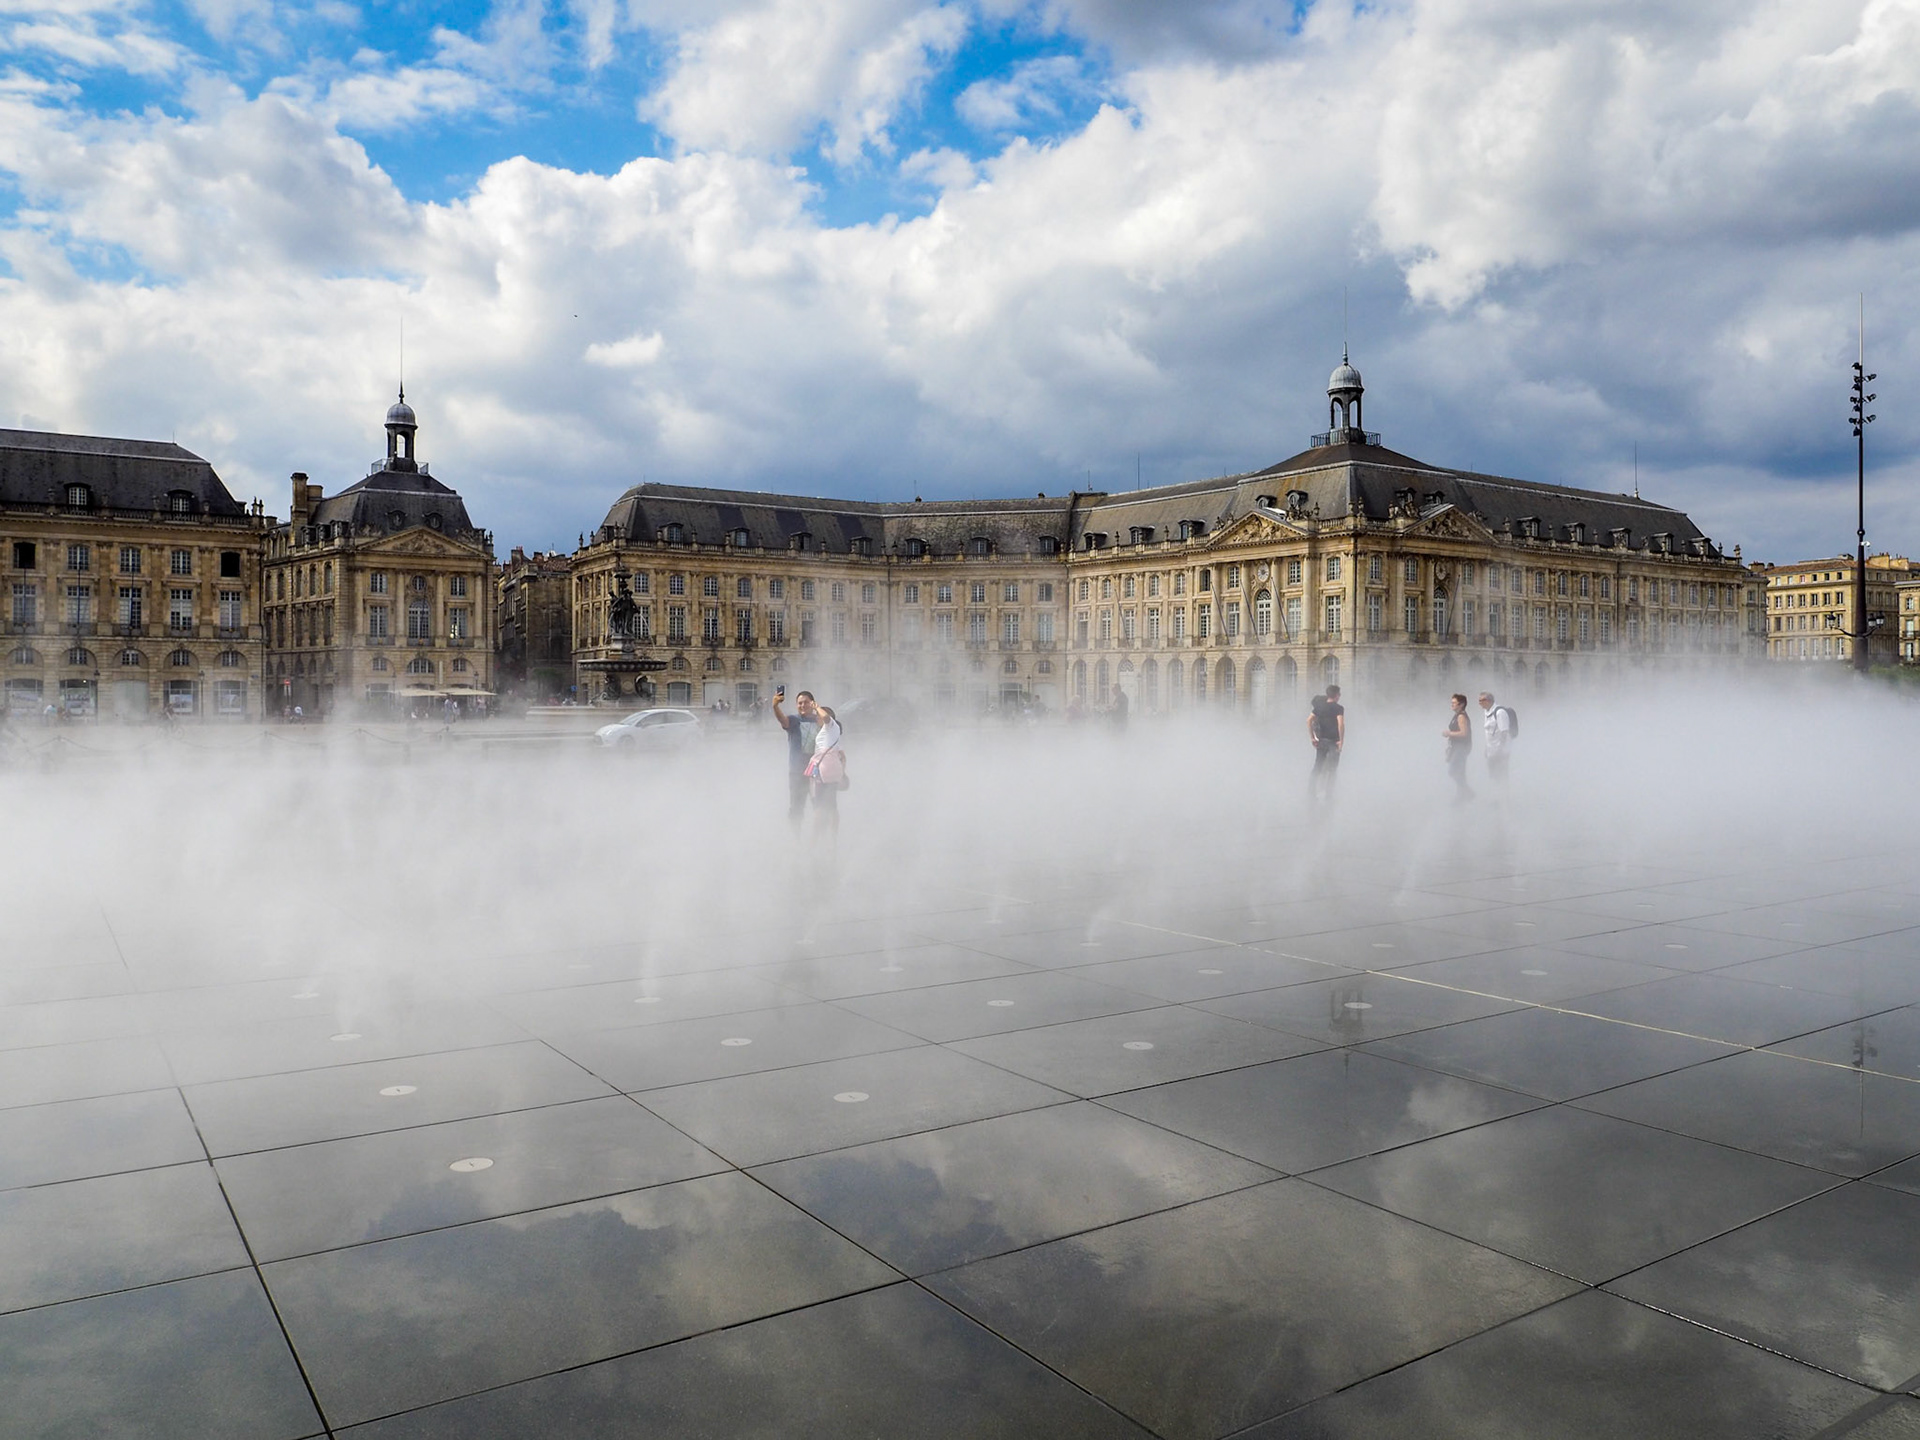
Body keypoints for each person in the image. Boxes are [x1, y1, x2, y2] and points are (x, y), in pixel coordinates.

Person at [771, 687, 818, 829]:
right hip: (797, 771)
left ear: (812, 703)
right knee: (797, 807)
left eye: (805, 702)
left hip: (816, 771)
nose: (802, 705)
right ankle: (796, 837)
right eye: (799, 703)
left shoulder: (819, 720)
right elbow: (782, 720)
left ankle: (818, 836)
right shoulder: (793, 720)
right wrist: (775, 706)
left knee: (820, 805)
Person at [804, 700, 845, 837]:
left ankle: (814, 840)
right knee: (832, 805)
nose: (817, 718)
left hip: (823, 772)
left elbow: (826, 718)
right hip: (832, 772)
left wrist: (816, 707)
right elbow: (842, 755)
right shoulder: (832, 733)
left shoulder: (830, 726)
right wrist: (842, 773)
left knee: (819, 806)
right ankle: (832, 839)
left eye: (818, 716)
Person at [1308, 684, 1344, 804]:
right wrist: (1341, 741)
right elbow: (1340, 724)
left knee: (1318, 767)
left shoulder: (1320, 708)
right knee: (1332, 770)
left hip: (1322, 741)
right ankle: (1329, 794)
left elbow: (1309, 721)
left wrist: (1312, 737)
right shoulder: (1338, 708)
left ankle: (1311, 791)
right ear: (1336, 696)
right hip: (1333, 742)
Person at [1443, 692, 1474, 801]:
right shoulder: (1456, 715)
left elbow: (1464, 733)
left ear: (1461, 704)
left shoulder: (1461, 716)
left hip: (1461, 747)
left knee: (1454, 771)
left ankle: (1467, 792)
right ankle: (1461, 796)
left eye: (1454, 703)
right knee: (1458, 771)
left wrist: (1449, 733)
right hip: (1456, 747)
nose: (1452, 704)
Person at [1478, 691, 1513, 786]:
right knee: (1493, 776)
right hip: (1491, 751)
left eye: (1481, 700)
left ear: (1489, 701)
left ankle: (1504, 798)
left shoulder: (1500, 713)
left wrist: (1499, 750)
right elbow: (1488, 733)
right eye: (1479, 700)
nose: (1479, 703)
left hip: (1500, 752)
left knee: (1501, 776)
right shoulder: (1486, 712)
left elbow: (1504, 732)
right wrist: (1486, 748)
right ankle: (1496, 796)